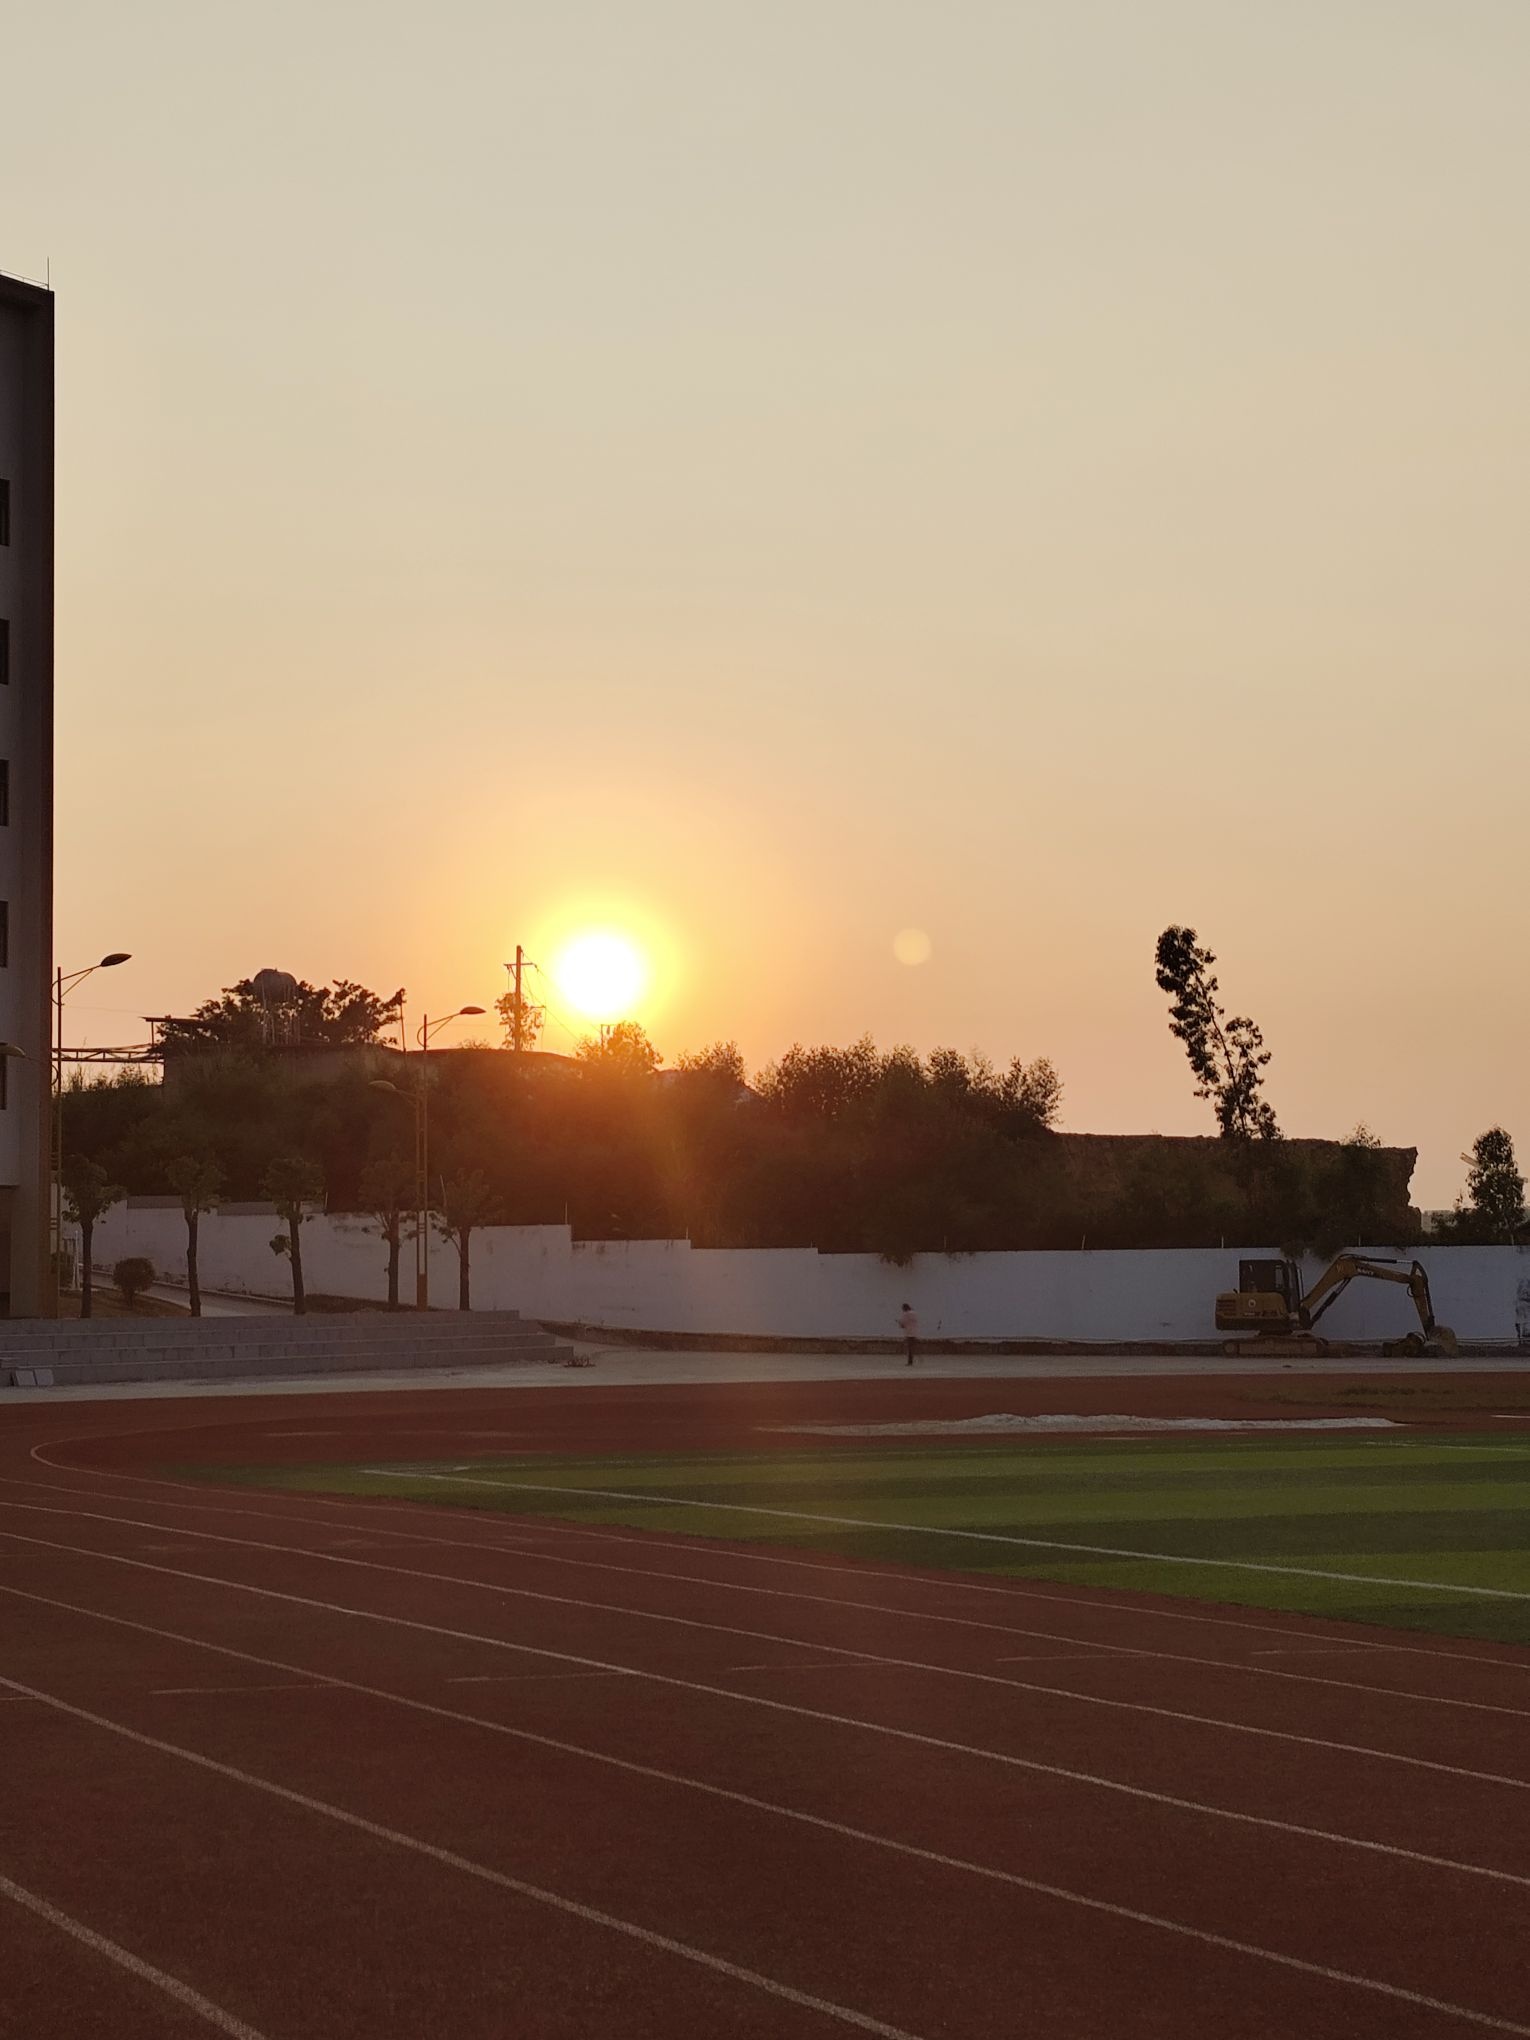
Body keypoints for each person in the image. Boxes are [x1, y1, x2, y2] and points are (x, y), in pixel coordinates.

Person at [896, 1302, 920, 1366]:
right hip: (915, 1332)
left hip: (909, 1333)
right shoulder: (915, 1313)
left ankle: (910, 1362)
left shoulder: (905, 1314)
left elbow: (902, 1324)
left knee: (909, 1348)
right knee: (912, 1347)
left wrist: (898, 1322)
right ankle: (911, 1360)